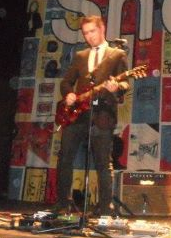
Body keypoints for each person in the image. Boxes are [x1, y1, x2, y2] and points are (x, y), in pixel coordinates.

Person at [55, 15, 129, 215]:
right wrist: (68, 94)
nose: (89, 36)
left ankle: (105, 207)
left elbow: (125, 83)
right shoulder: (80, 56)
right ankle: (63, 204)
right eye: (85, 33)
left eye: (92, 31)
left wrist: (116, 88)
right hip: (77, 115)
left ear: (102, 28)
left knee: (103, 162)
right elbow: (66, 82)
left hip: (102, 114)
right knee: (65, 157)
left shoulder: (117, 54)